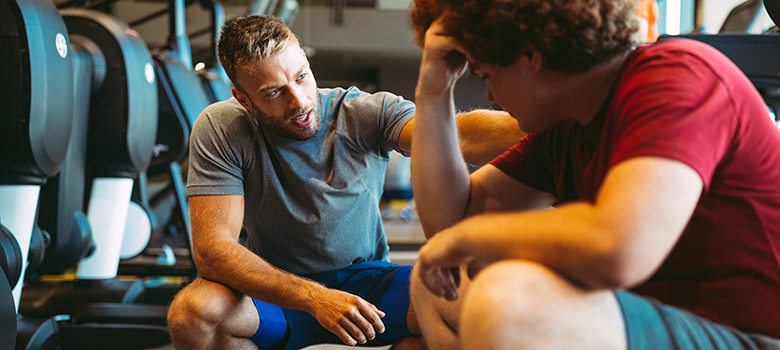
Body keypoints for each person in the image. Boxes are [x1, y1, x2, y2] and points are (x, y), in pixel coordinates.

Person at [407, 0, 780, 349]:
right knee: (433, 285)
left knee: (510, 303)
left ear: (531, 54)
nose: (490, 95)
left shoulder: (675, 77)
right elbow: (448, 223)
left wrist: (466, 240)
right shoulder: (567, 123)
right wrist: (433, 91)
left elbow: (617, 249)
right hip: (675, 326)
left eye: (485, 75)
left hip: (764, 340)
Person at [165, 15, 521, 350]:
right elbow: (213, 251)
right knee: (193, 312)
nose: (299, 100)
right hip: (276, 293)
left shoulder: (360, 111)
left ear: (306, 62)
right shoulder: (222, 127)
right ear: (242, 98)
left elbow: (457, 136)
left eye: (301, 77)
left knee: (472, 302)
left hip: (368, 285)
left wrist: (550, 122)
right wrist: (312, 297)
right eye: (274, 92)